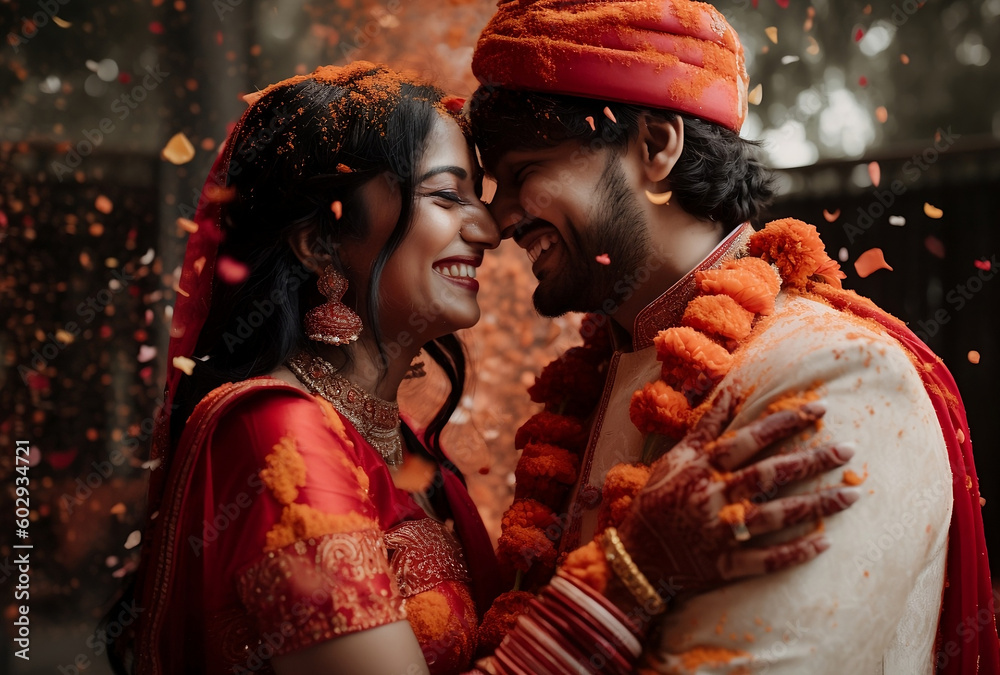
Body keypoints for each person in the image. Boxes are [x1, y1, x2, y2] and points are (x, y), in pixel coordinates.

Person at [109, 62, 857, 675]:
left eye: (483, 191)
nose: (489, 225)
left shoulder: (399, 446)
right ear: (319, 245)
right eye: (446, 194)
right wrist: (638, 566)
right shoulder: (282, 432)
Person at [467, 1, 1000, 674]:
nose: (498, 218)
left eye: (523, 174)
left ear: (655, 147)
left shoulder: (833, 372)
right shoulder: (601, 374)